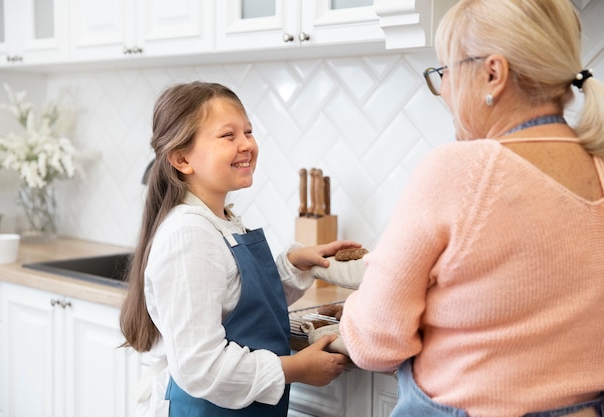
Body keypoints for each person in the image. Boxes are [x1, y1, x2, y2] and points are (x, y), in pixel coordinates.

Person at [339, 1, 604, 416]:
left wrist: (355, 312)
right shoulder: (600, 166)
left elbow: (376, 342)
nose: (443, 90)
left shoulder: (462, 169)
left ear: (492, 74)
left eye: (445, 71)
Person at [120, 81, 357, 417]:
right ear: (182, 158)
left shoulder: (221, 221)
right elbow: (201, 367)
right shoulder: (189, 235)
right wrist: (295, 369)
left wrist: (293, 264)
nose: (246, 144)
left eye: (248, 131)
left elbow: (241, 304)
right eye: (227, 136)